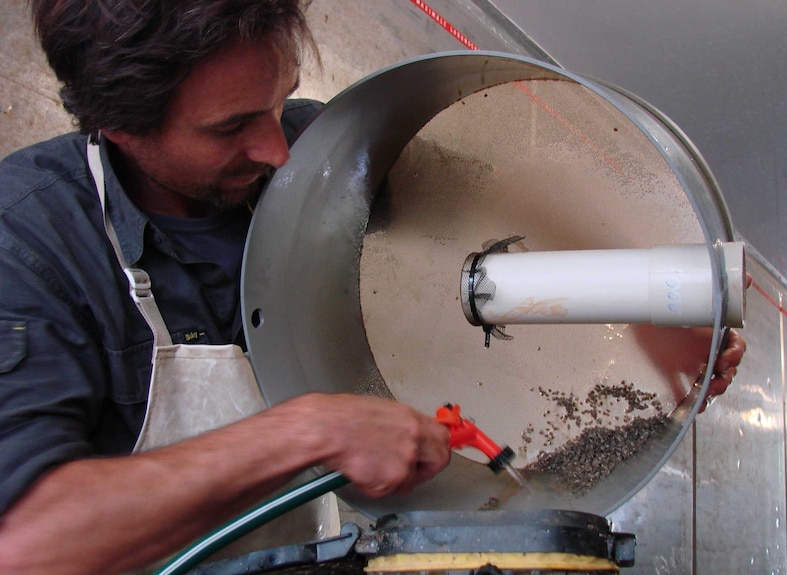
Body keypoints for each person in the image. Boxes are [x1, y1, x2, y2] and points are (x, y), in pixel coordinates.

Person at [0, 1, 746, 573]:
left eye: (278, 98)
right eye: (231, 127)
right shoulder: (31, 245)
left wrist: (645, 328)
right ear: (118, 127)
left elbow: (513, 242)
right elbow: (27, 545)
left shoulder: (332, 160)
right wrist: (307, 431)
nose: (275, 147)